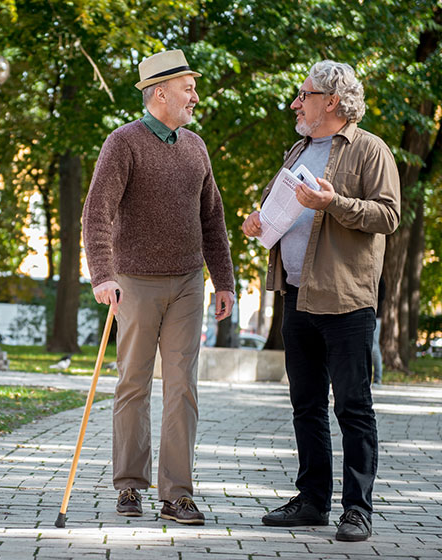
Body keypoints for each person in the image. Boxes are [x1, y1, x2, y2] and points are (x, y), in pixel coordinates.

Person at [242, 60, 399, 542]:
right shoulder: (299, 149)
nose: (295, 102)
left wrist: (334, 204)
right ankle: (313, 501)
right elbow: (281, 209)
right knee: (305, 405)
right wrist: (258, 222)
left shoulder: (370, 150)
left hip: (346, 300)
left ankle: (358, 509)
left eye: (303, 94)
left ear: (331, 101)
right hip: (297, 296)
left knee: (353, 406)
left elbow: (388, 216)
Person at [82, 49, 235, 525]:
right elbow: (97, 213)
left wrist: (224, 280)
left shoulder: (196, 147)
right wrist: (103, 274)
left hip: (189, 281)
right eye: (188, 87)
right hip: (134, 280)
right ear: (160, 92)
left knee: (182, 388)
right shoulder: (123, 142)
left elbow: (213, 219)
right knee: (132, 383)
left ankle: (178, 494)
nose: (195, 95)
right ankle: (129, 486)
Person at [372, 277, 385, 385]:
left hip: (376, 316)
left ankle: (377, 378)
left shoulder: (379, 277)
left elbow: (382, 296)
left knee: (374, 347)